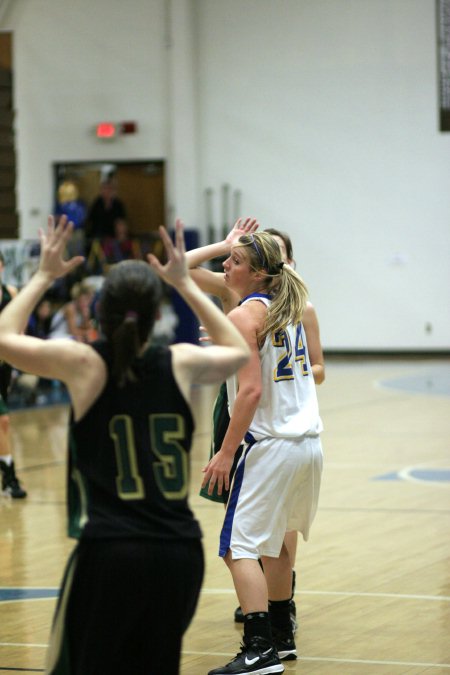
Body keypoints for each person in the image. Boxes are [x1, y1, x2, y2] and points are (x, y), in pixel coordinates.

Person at [0, 215, 250, 675]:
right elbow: (237, 351)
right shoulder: (179, 362)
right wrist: (186, 286)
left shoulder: (83, 365)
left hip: (112, 551)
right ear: (157, 315)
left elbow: (3, 339)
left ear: (99, 311)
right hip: (179, 552)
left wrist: (42, 277)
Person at [187, 222, 325, 630]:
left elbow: (249, 392)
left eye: (236, 258)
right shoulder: (287, 311)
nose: (227, 263)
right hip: (306, 439)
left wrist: (225, 453)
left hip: (269, 441)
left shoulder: (250, 313)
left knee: (238, 546)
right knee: (274, 542)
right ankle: (281, 631)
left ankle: (259, 645)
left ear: (263, 270)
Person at [0, 252, 27, 498]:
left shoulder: (10, 292)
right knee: (3, 421)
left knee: (3, 423)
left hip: (5, 364)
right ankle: (9, 478)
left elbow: (19, 327)